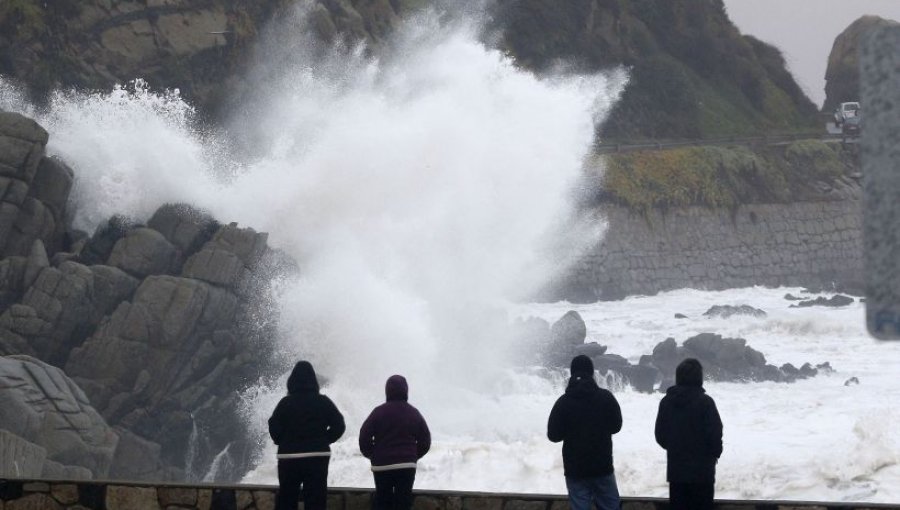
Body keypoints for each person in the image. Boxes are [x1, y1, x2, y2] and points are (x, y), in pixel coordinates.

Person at [547, 355, 623, 510]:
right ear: (592, 373)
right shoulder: (606, 398)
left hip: (575, 469)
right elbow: (616, 426)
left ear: (571, 373)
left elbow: (553, 435)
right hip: (603, 466)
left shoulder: (563, 402)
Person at [268, 361, 346, 510]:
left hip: (289, 457)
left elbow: (274, 425)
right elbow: (339, 425)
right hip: (317, 456)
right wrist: (324, 440)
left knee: (287, 499)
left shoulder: (285, 403)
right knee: (316, 500)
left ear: (292, 381)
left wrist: (282, 441)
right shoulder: (323, 402)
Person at [654, 358, 724, 510]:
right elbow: (715, 433)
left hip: (677, 470)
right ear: (700, 378)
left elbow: (660, 435)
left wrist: (675, 447)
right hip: (703, 472)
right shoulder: (706, 403)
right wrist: (714, 454)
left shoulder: (666, 402)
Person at [359, 375, 431, 510]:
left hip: (382, 466)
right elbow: (425, 441)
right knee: (403, 502)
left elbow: (364, 437)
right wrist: (412, 455)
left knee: (382, 501)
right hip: (406, 465)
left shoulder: (378, 412)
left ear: (387, 391)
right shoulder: (413, 413)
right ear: (406, 391)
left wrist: (374, 455)